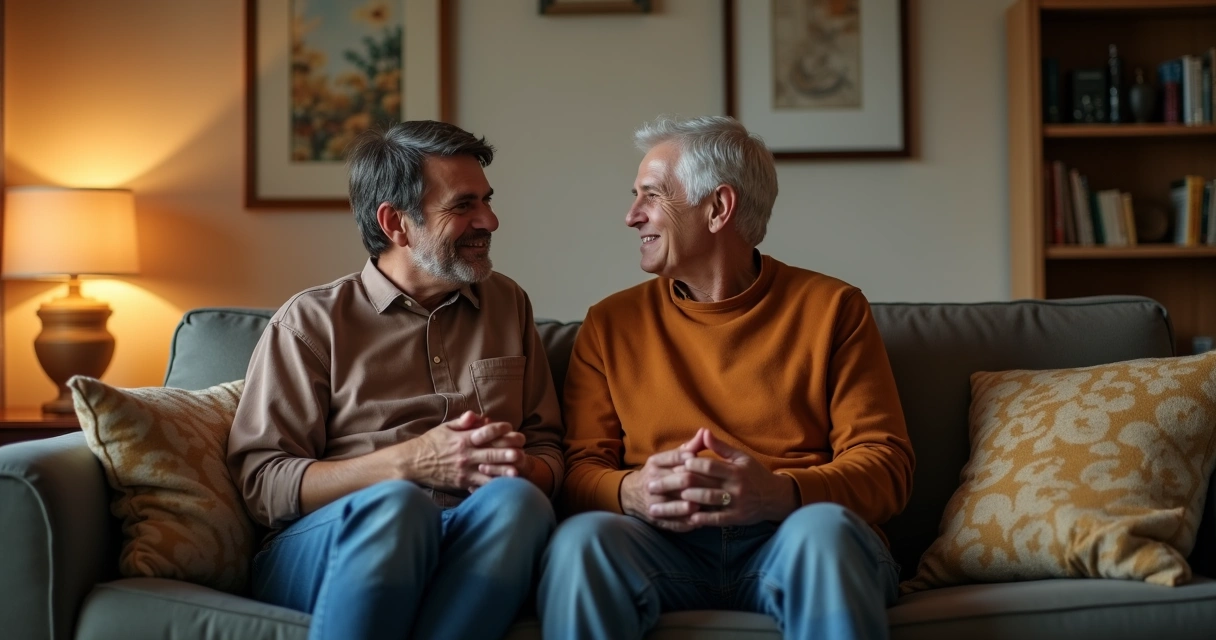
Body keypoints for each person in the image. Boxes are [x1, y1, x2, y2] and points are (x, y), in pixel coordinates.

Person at [538, 115, 915, 640]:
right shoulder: (610, 324)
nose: (631, 216)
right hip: (658, 542)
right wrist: (630, 492)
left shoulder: (834, 309)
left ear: (718, 208)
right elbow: (578, 470)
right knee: (583, 543)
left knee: (825, 535)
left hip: (794, 536)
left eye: (651, 195)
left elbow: (887, 468)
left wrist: (779, 493)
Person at [227, 121, 564, 640]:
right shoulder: (311, 322)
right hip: (336, 540)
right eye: (463, 205)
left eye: (487, 200)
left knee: (520, 503)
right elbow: (262, 483)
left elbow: (549, 446)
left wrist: (523, 468)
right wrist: (410, 463)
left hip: (470, 535)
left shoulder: (508, 304)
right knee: (399, 505)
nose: (490, 220)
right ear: (396, 223)